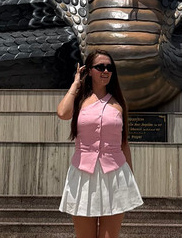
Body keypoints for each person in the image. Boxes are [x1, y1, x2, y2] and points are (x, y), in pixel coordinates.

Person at [57, 50, 143, 237]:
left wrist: (130, 179)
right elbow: (63, 113)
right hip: (82, 174)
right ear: (89, 70)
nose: (106, 71)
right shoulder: (79, 100)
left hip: (115, 175)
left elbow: (124, 143)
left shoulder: (119, 103)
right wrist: (75, 84)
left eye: (109, 67)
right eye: (100, 67)